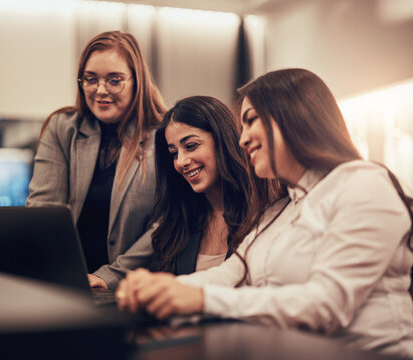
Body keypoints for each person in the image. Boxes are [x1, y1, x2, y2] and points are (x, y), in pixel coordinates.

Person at [116, 68, 413, 358]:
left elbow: (327, 305)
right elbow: (229, 275)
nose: (242, 139)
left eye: (250, 121)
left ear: (293, 114)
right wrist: (159, 289)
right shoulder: (278, 210)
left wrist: (200, 299)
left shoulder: (363, 183)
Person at [26, 31, 167, 289]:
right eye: (90, 79)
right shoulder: (62, 127)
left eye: (114, 80)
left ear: (138, 81)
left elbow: (167, 223)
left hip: (134, 288)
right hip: (66, 284)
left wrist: (110, 275)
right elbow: (44, 209)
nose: (100, 91)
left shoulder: (163, 135)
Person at [150, 95, 270, 275]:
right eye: (174, 153)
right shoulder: (177, 222)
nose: (181, 162)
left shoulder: (266, 212)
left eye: (191, 146)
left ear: (223, 141)